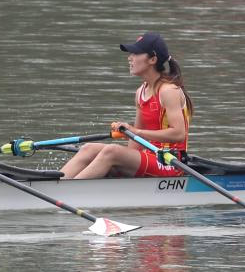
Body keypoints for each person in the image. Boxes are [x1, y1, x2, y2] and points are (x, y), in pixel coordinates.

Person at [60, 31, 193, 180]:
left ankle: (69, 192)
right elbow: (135, 145)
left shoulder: (169, 91)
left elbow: (179, 134)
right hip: (149, 158)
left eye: (136, 53)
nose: (130, 58)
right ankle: (56, 185)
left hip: (170, 162)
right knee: (88, 148)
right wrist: (123, 161)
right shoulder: (140, 92)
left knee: (112, 151)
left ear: (153, 59)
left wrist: (135, 132)